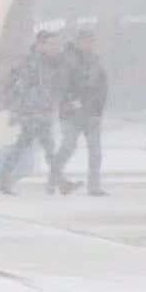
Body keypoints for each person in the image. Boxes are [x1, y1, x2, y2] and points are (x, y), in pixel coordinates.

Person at [0, 30, 71, 194]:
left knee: (25, 146)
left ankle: (3, 178)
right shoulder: (30, 63)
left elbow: (56, 85)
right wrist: (25, 107)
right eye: (51, 44)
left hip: (42, 111)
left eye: (56, 44)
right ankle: (61, 182)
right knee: (45, 147)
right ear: (40, 45)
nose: (55, 47)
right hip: (32, 111)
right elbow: (21, 87)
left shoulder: (51, 63)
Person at [53, 28, 110, 196]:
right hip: (72, 112)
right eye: (86, 41)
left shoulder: (95, 61)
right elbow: (61, 85)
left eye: (91, 41)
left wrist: (99, 107)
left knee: (95, 151)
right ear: (78, 42)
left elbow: (102, 85)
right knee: (68, 146)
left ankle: (94, 186)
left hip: (91, 112)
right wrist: (71, 100)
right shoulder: (67, 60)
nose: (89, 45)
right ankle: (54, 175)